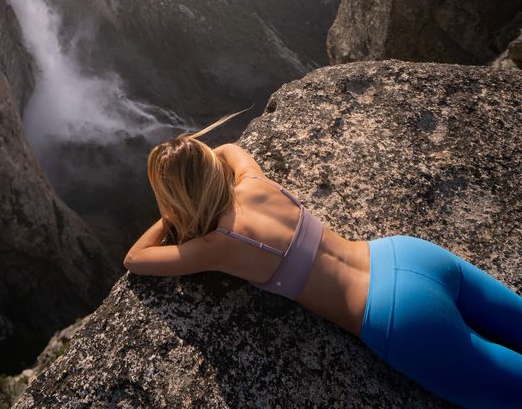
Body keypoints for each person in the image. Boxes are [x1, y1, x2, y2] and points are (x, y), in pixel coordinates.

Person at [124, 114, 522, 409]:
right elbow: (229, 149)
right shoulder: (254, 182)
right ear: (211, 168)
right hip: (403, 253)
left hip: (393, 314)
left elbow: (136, 259)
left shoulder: (218, 245)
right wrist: (206, 168)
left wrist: (174, 214)